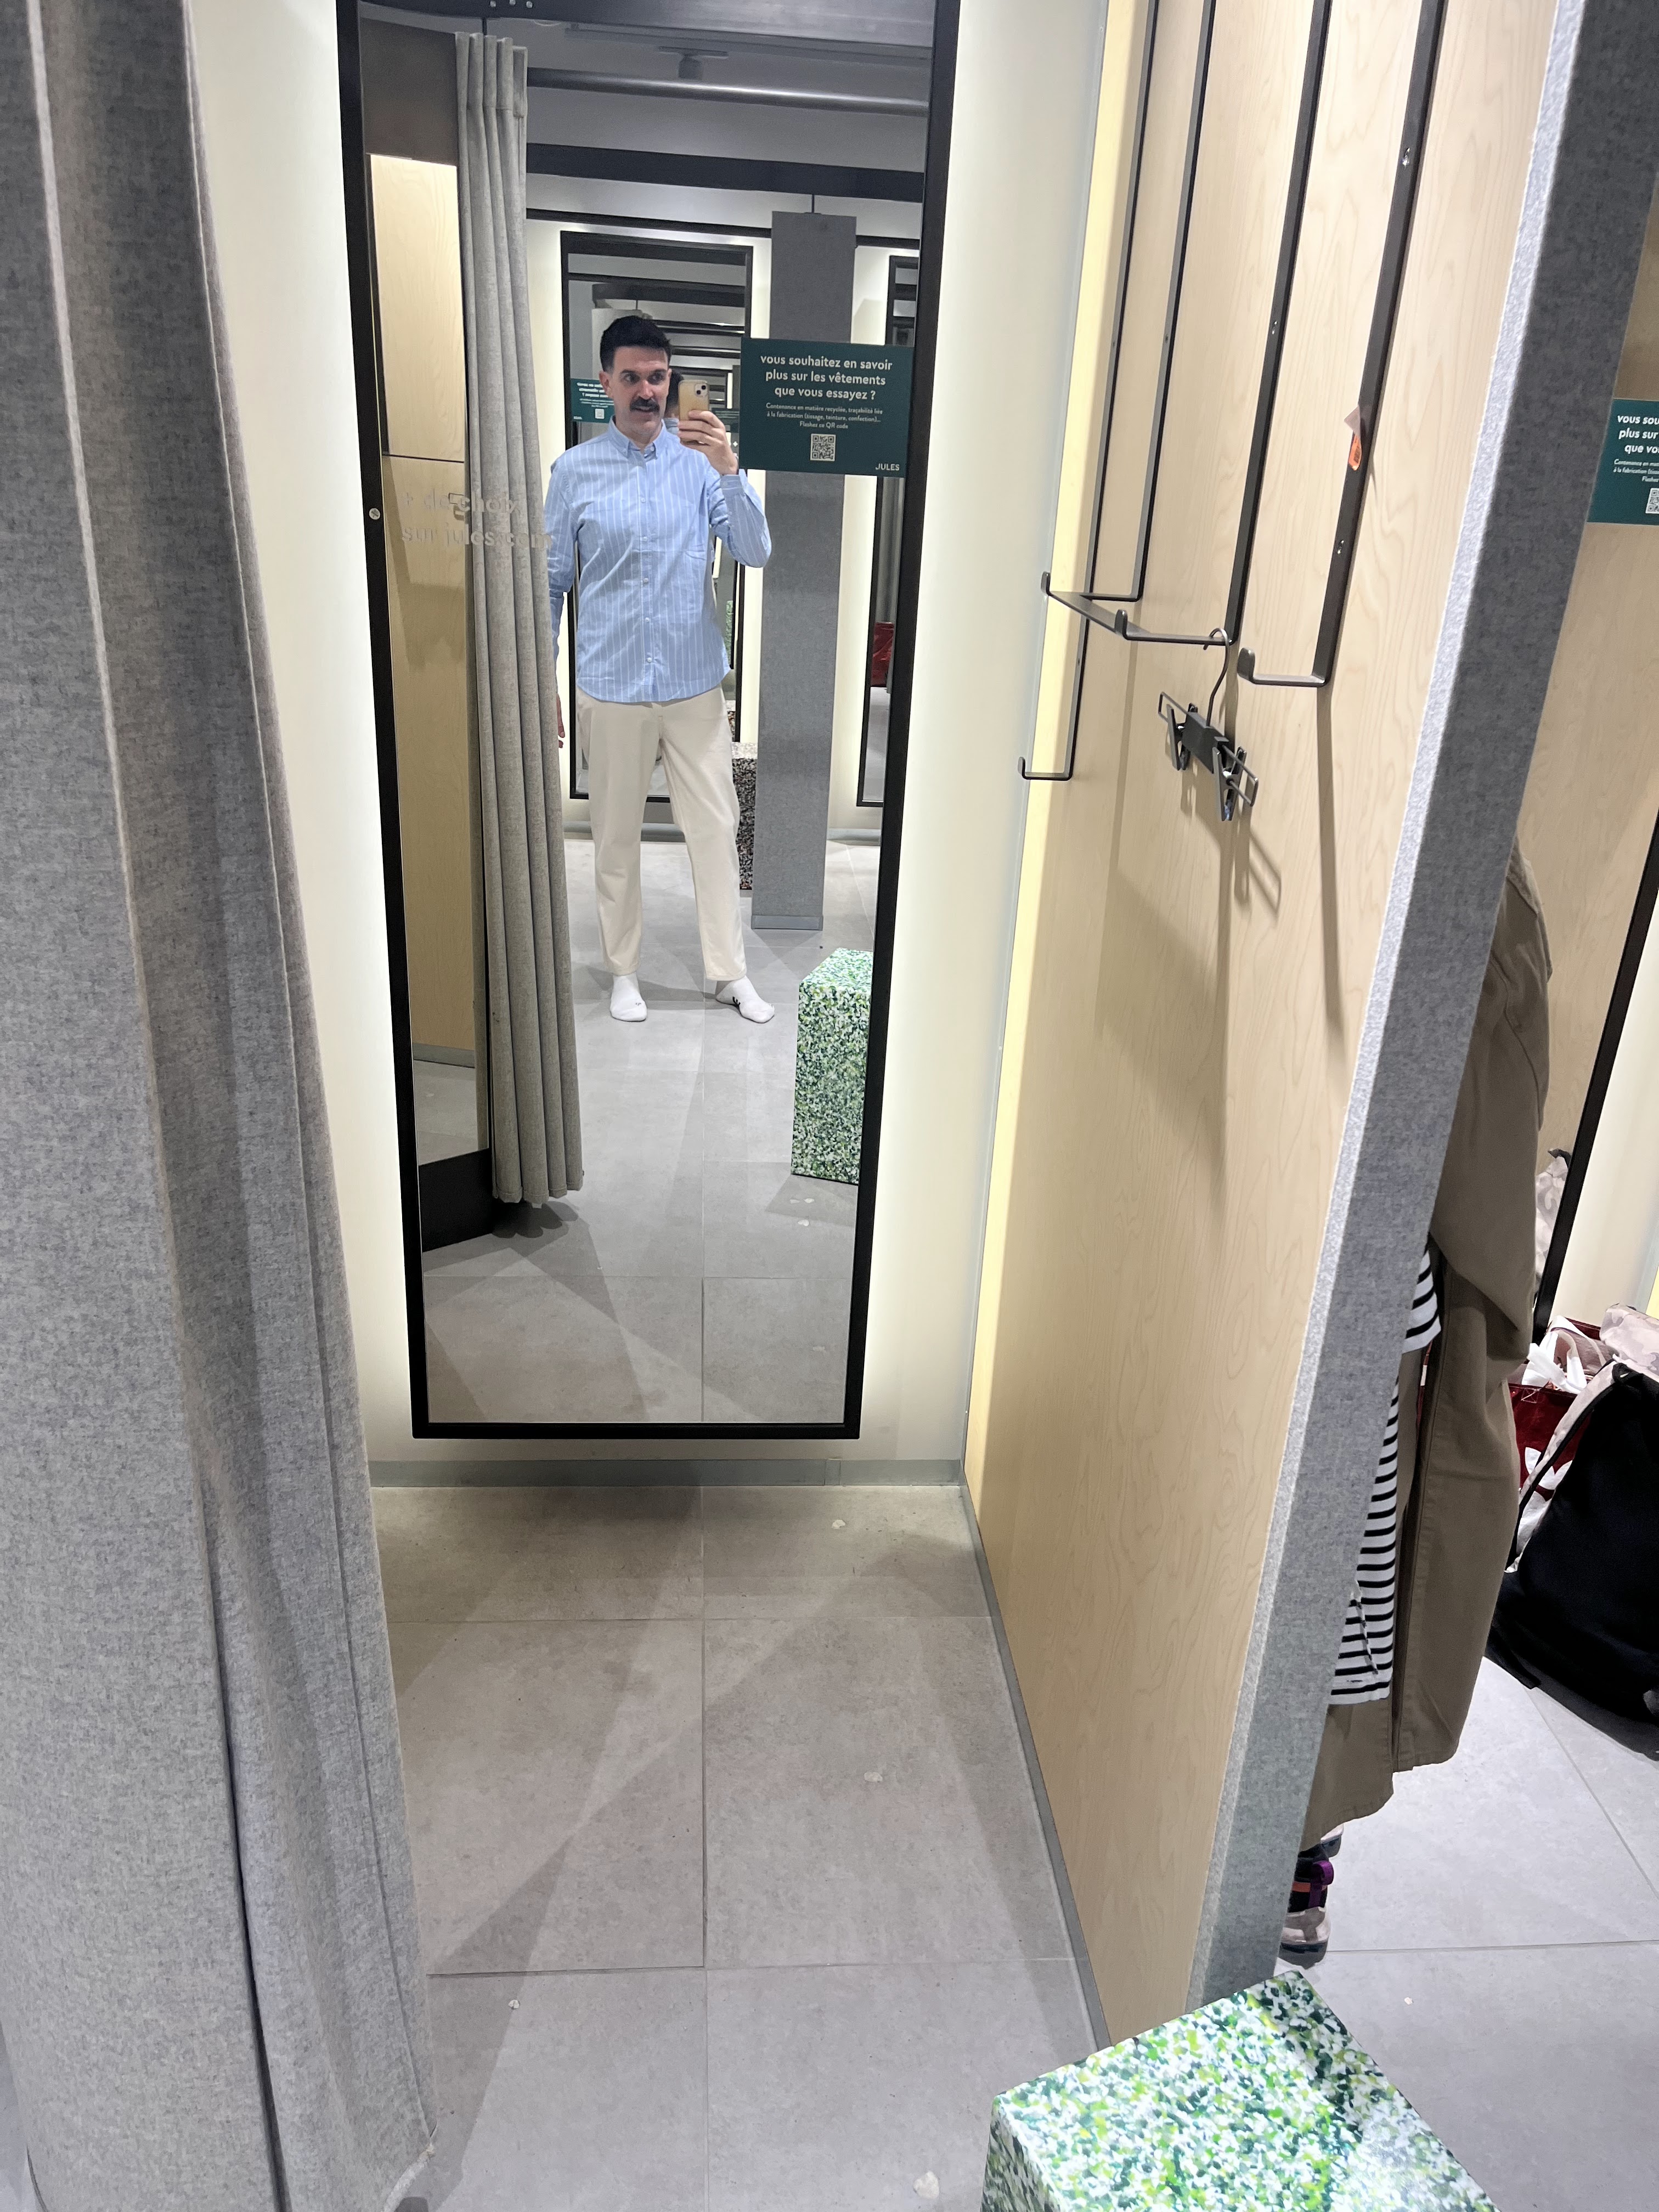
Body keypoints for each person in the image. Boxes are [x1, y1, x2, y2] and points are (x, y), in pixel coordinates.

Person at [545, 313, 774, 1024]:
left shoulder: (702, 465)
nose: (647, 391)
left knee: (716, 830)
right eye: (632, 377)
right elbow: (549, 582)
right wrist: (540, 680)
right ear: (606, 382)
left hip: (694, 687)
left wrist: (730, 471)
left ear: (670, 379)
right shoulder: (573, 472)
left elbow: (755, 551)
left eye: (658, 377)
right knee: (615, 839)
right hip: (610, 686)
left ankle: (729, 973)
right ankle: (624, 972)